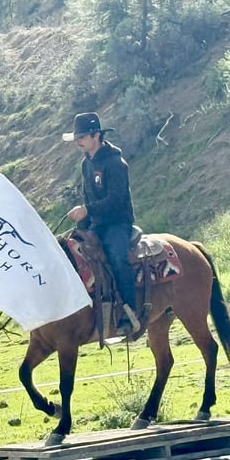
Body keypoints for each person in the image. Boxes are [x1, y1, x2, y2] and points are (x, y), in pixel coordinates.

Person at [64, 112, 140, 336]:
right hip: (97, 223)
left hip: (118, 223)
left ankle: (129, 311)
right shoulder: (86, 164)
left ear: (96, 135)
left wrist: (87, 210)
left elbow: (116, 200)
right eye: (77, 138)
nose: (78, 142)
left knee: (117, 257)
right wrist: (83, 221)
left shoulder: (116, 164)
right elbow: (89, 196)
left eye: (82, 137)